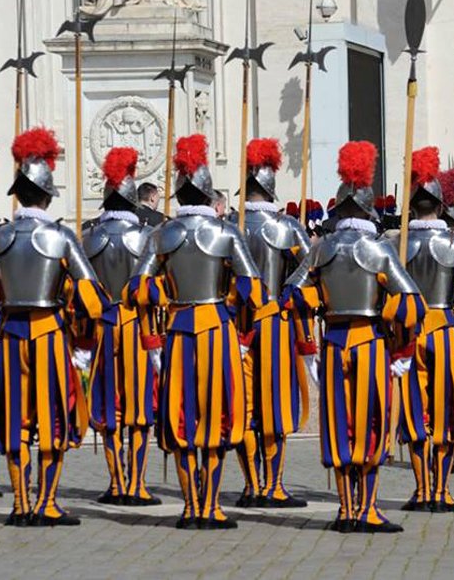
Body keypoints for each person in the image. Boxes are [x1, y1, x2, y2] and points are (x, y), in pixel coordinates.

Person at [0, 127, 109, 526]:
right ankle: (46, 503)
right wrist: (90, 327)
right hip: (48, 332)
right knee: (54, 414)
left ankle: (20, 504)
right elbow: (90, 294)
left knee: (15, 418)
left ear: (18, 194)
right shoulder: (60, 237)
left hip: (10, 335)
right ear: (45, 196)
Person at [125, 134, 264, 530]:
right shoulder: (226, 233)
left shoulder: (162, 234)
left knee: (182, 416)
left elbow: (135, 289)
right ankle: (211, 506)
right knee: (217, 415)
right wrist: (231, 303)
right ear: (207, 195)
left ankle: (190, 506)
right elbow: (253, 289)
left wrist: (166, 294)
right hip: (216, 327)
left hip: (179, 329)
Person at [285, 140, 424, 534]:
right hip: (368, 342)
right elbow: (411, 302)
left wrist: (314, 307)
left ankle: (346, 510)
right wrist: (393, 325)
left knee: (339, 424)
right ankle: (366, 509)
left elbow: (291, 294)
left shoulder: (321, 248)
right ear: (367, 207)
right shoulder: (378, 249)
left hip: (332, 343)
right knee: (372, 423)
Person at [384, 148, 454, 513]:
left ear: (413, 206)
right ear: (440, 207)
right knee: (446, 412)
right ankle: (441, 491)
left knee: (415, 413)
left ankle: (421, 489)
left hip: (409, 333)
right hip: (445, 331)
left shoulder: (395, 244)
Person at [231, 138, 311, 509]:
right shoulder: (287, 227)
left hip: (238, 324)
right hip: (276, 322)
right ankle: (273, 485)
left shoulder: (232, 224)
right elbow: (311, 265)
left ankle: (252, 486)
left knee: (245, 406)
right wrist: (289, 290)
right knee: (274, 406)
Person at [81, 147, 158, 507]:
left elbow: (80, 292)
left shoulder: (90, 237)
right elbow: (157, 290)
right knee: (139, 409)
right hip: (137, 328)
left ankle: (116, 482)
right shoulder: (146, 237)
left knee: (109, 406)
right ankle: (136, 484)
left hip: (102, 327)